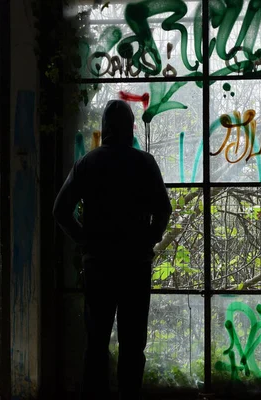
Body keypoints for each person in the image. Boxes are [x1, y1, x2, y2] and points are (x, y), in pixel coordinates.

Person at [53, 99, 172, 399]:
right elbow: (164, 210)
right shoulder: (145, 163)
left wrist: (84, 241)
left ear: (104, 128)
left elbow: (60, 211)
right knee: (133, 345)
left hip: (99, 265)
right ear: (131, 128)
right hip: (135, 264)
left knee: (96, 344)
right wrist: (149, 239)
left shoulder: (88, 164)